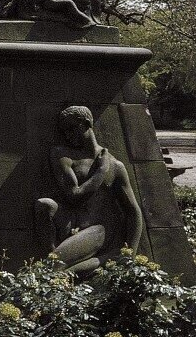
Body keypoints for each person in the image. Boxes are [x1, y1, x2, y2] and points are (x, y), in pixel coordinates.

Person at [35, 106, 143, 274]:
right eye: (65, 132)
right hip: (70, 222)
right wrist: (101, 171)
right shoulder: (63, 156)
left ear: (86, 124)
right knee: (44, 205)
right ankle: (62, 262)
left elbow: (133, 211)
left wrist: (130, 253)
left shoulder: (116, 166)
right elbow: (74, 196)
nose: (68, 136)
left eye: (72, 129)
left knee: (53, 267)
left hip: (99, 229)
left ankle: (59, 268)